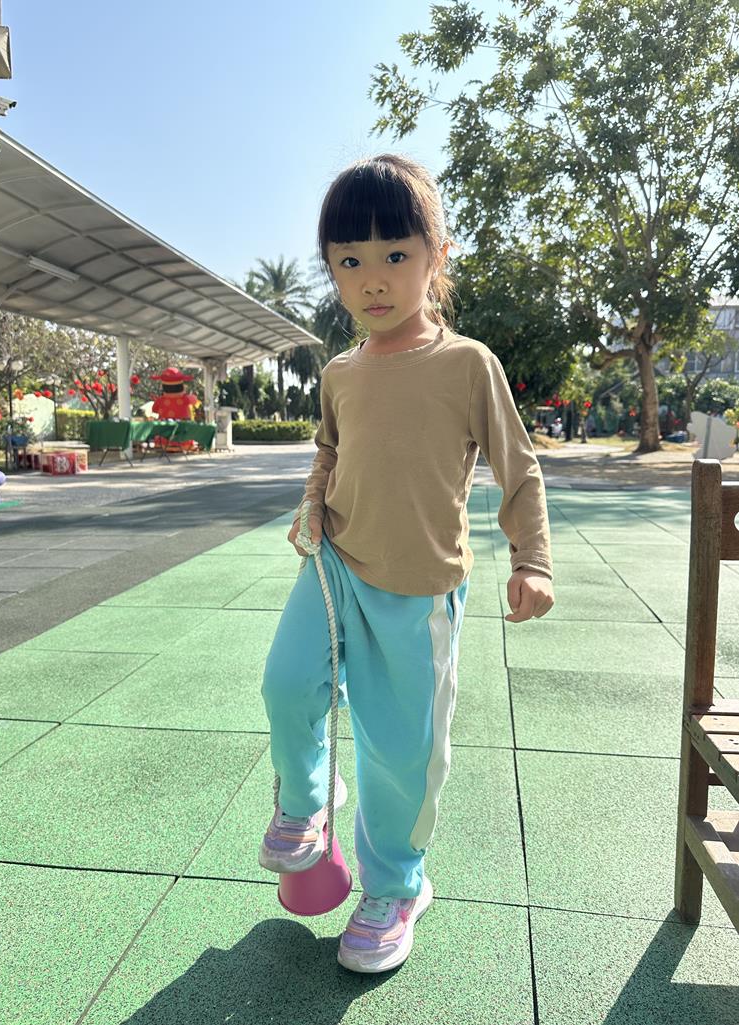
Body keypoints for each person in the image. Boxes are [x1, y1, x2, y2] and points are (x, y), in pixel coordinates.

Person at [258, 154, 555, 974]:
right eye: (348, 261)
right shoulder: (339, 372)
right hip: (334, 566)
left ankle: (395, 886)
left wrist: (532, 558)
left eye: (395, 254)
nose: (373, 279)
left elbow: (518, 465)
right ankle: (306, 800)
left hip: (418, 588)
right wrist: (311, 500)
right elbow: (328, 451)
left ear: (435, 255)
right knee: (285, 684)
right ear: (331, 271)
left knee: (400, 753)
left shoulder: (467, 364)